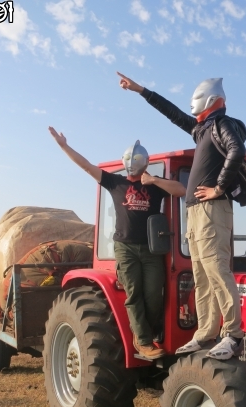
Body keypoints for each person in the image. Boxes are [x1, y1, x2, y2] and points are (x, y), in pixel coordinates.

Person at [116, 72, 246, 360]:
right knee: (201, 274)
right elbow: (172, 113)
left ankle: (233, 334)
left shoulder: (223, 124)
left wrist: (219, 187)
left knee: (217, 270)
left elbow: (237, 151)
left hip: (212, 210)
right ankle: (206, 332)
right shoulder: (202, 130)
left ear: (212, 100)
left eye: (197, 99)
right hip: (196, 213)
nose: (192, 105)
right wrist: (140, 90)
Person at [48, 127, 186, 359]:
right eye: (130, 160)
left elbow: (181, 190)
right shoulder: (115, 182)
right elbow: (86, 166)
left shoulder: (155, 185)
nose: (133, 163)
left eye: (137, 160)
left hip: (152, 249)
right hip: (126, 248)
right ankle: (142, 341)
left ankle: (147, 333)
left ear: (145, 163)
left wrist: (154, 180)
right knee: (134, 293)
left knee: (154, 294)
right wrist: (64, 146)